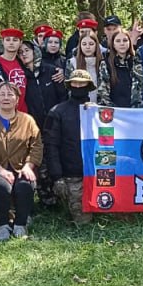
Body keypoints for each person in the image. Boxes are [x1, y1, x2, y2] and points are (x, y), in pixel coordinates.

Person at [0, 82, 42, 241]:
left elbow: (37, 145)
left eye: (10, 94)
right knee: (1, 186)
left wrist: (28, 165)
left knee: (25, 185)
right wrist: (0, 170)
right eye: (2, 94)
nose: (6, 98)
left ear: (17, 99)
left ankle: (20, 225)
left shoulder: (28, 120)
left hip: (21, 166)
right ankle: (3, 226)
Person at [45, 70, 96, 225]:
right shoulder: (57, 112)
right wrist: (57, 177)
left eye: (82, 83)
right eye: (75, 83)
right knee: (83, 221)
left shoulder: (100, 112)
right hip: (72, 175)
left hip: (99, 174)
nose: (78, 86)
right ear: (69, 85)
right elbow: (51, 146)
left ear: (89, 86)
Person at [98, 28, 139, 108]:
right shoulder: (106, 63)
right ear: (113, 44)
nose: (122, 44)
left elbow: (140, 87)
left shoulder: (136, 61)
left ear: (129, 42)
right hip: (114, 112)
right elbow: (103, 92)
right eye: (118, 41)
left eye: (125, 40)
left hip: (135, 111)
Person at [67, 30, 103, 104]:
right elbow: (69, 89)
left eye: (91, 44)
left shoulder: (103, 63)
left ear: (96, 45)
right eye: (84, 44)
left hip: (100, 108)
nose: (87, 47)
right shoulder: (72, 62)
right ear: (80, 46)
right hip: (78, 107)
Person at [38, 28, 69, 110]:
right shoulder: (38, 60)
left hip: (61, 101)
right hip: (43, 102)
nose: (53, 45)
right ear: (45, 43)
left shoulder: (64, 61)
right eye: (50, 42)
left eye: (56, 42)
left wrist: (64, 73)